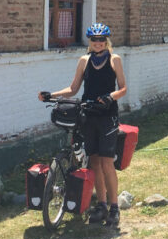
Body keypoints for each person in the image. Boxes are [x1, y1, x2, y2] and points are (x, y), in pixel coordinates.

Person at [38, 23, 127, 226]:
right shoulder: (84, 61)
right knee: (94, 162)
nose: (98, 43)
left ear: (106, 41)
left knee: (106, 162)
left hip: (107, 116)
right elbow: (73, 89)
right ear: (90, 41)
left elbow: (123, 88)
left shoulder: (114, 59)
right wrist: (51, 95)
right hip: (88, 115)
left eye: (101, 39)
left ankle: (114, 207)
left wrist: (110, 97)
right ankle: (101, 205)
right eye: (94, 39)